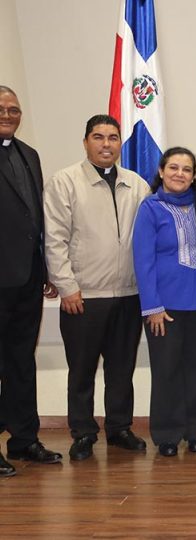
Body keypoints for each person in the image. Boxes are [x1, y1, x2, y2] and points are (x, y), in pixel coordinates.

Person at [44, 114, 150, 461]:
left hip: (129, 294)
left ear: (121, 143)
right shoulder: (65, 182)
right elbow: (55, 238)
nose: (107, 144)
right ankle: (84, 432)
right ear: (86, 141)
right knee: (82, 369)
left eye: (113, 137)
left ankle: (119, 428)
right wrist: (67, 286)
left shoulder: (137, 184)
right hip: (84, 296)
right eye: (99, 137)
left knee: (122, 368)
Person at [133, 147, 196, 457]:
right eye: (174, 168)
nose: (180, 174)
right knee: (166, 370)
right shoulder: (150, 208)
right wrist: (152, 307)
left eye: (187, 169)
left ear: (194, 176)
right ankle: (167, 434)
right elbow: (143, 261)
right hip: (163, 308)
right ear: (162, 171)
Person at [0, 85, 62, 476]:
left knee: (22, 361)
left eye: (14, 109)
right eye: (2, 109)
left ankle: (24, 440)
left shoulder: (29, 155)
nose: (9, 114)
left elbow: (34, 220)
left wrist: (46, 269)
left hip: (26, 278)